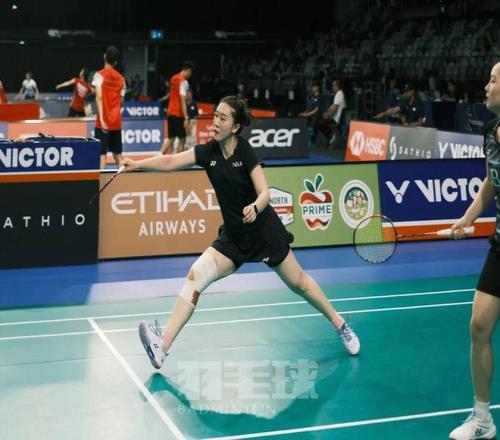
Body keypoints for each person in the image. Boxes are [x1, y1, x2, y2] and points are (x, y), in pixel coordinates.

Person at [119, 95, 360, 370]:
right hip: (234, 237)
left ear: (235, 127)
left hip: (264, 233)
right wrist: (137, 164)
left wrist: (255, 207)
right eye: (215, 115)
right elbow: (171, 161)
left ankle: (340, 325)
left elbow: (265, 192)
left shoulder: (245, 152)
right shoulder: (207, 153)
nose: (215, 121)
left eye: (222, 118)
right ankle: (162, 347)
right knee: (195, 277)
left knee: (300, 284)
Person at [448, 62, 500, 440]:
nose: (486, 85)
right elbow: (491, 182)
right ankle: (482, 420)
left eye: (494, 80)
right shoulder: (490, 133)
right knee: (479, 325)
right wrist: (468, 217)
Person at [92, 46, 126, 170]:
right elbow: (121, 101)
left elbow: (99, 97)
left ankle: (101, 182)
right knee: (118, 156)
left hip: (102, 123)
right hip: (116, 122)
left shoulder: (99, 76)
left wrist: (102, 120)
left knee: (102, 156)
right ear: (115, 62)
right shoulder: (122, 79)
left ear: (104, 56)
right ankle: (124, 179)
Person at [160, 61, 194, 155]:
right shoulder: (184, 82)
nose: (190, 75)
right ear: (188, 70)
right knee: (182, 139)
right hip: (178, 114)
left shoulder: (173, 78)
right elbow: (182, 100)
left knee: (171, 139)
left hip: (170, 113)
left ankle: (158, 157)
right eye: (190, 73)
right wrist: (186, 117)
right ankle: (179, 161)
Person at [318, 79, 346, 148]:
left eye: (334, 86)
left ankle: (331, 136)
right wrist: (327, 111)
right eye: (332, 86)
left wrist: (328, 115)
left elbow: (335, 107)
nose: (332, 87)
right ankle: (330, 137)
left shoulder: (339, 94)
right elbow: (333, 106)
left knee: (320, 124)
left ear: (337, 86)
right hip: (335, 117)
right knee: (322, 121)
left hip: (336, 119)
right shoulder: (338, 94)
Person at [298, 81, 322, 146]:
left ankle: (312, 141)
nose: (313, 88)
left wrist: (308, 114)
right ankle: (301, 138)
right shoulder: (311, 96)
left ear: (318, 88)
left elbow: (316, 109)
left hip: (316, 114)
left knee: (314, 120)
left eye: (314, 87)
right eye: (312, 87)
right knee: (300, 117)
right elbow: (309, 107)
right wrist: (304, 113)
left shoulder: (320, 96)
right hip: (309, 113)